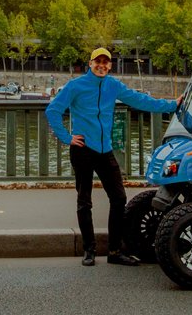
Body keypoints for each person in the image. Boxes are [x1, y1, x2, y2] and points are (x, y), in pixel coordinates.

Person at [45, 47, 182, 267]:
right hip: (82, 149)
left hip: (104, 150)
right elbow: (53, 110)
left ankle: (115, 251)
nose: (102, 65)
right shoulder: (75, 86)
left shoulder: (113, 85)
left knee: (118, 198)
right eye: (97, 61)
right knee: (84, 200)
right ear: (90, 64)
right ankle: (89, 250)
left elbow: (140, 100)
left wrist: (171, 105)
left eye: (105, 62)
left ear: (110, 65)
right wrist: (67, 137)